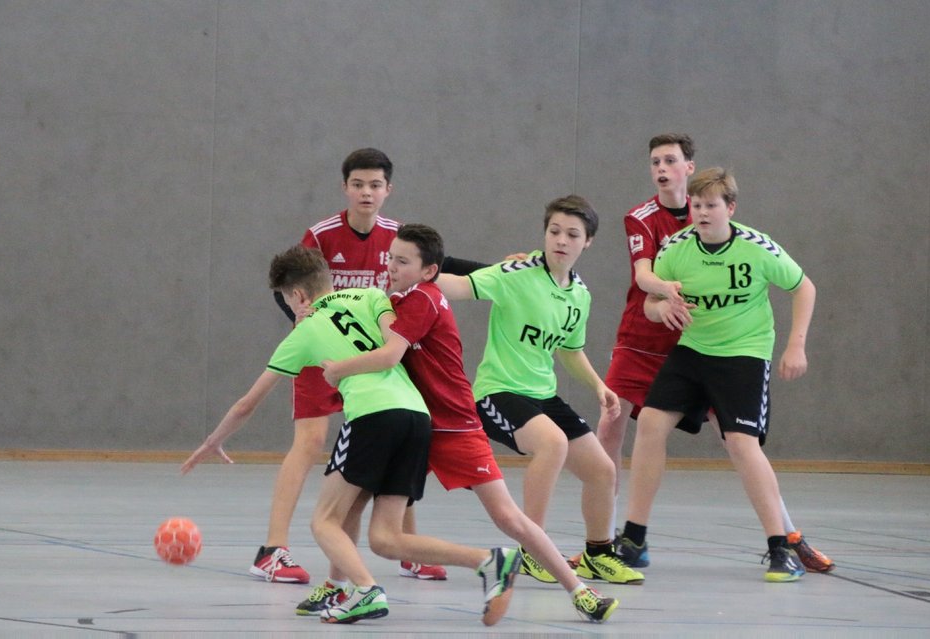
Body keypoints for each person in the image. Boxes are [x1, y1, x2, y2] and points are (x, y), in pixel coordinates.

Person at [182, 245, 521, 625]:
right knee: (386, 539)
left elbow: (247, 404)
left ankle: (365, 589)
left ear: (299, 296)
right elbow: (394, 343)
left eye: (287, 300)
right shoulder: (373, 297)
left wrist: (213, 441)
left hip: (372, 418)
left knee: (324, 521)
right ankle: (489, 560)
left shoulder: (303, 332)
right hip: (416, 417)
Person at [312, 223, 619, 623]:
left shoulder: (422, 299)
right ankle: (339, 586)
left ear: (429, 271)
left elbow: (389, 355)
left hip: (454, 426)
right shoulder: (399, 300)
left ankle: (579, 590)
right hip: (413, 427)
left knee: (508, 517)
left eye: (402, 261)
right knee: (371, 525)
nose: (391, 267)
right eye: (390, 258)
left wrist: (338, 369)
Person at [593, 134, 834, 573]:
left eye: (711, 206)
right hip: (691, 350)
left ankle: (781, 546)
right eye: (698, 206)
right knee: (649, 423)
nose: (703, 213)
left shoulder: (756, 247)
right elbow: (649, 300)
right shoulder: (675, 247)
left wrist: (795, 345)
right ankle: (633, 538)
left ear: (730, 208)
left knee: (740, 442)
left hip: (743, 354)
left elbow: (804, 287)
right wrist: (662, 306)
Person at [253, 147, 445, 583]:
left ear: (388, 190)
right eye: (358, 184)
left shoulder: (397, 237)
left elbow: (440, 267)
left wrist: (501, 268)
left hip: (371, 353)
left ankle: (407, 548)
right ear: (345, 188)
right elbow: (287, 283)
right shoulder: (321, 236)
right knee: (310, 441)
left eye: (375, 185)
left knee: (394, 436)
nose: (366, 192)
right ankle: (272, 549)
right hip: (324, 352)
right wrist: (299, 319)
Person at [437, 196, 644, 586]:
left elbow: (569, 350)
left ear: (588, 242)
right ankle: (533, 549)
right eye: (554, 231)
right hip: (498, 392)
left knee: (602, 470)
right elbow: (458, 286)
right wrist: (416, 273)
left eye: (572, 234)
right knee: (552, 444)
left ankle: (598, 555)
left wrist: (598, 385)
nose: (561, 240)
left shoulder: (579, 295)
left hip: (542, 396)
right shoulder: (517, 273)